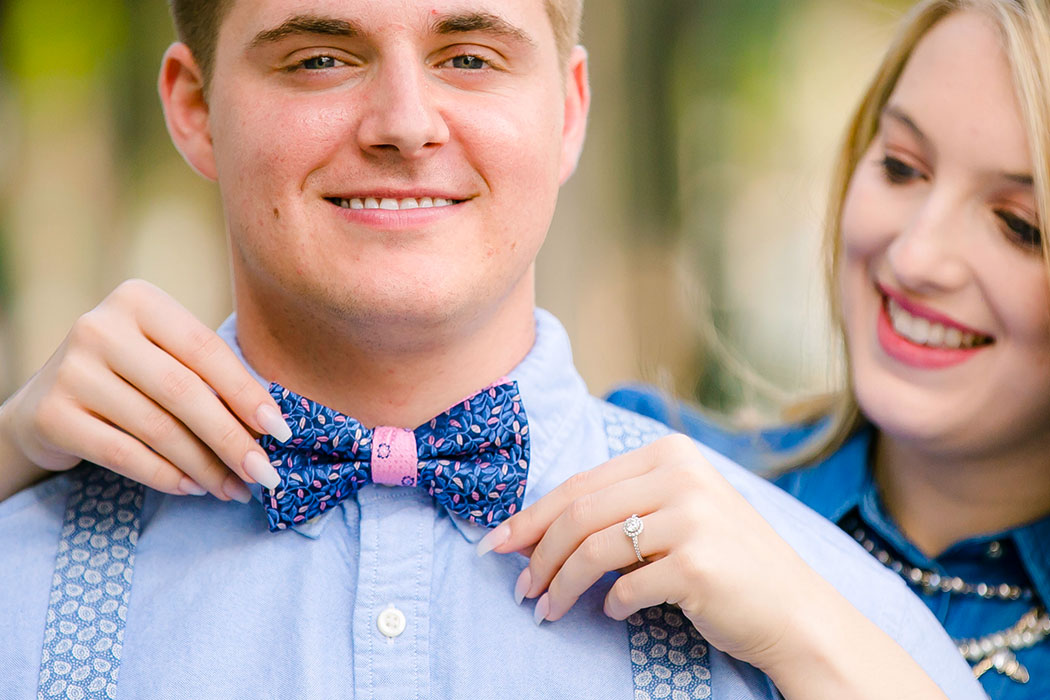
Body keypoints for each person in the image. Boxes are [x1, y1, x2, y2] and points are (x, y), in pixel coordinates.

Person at [0, 1, 983, 698]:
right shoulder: (20, 570)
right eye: (319, 58)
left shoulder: (839, 629)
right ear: (193, 107)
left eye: (469, 56)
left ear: (569, 108)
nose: (403, 124)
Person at [610, 0, 1050, 696]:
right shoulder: (646, 466)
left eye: (1018, 225)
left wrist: (806, 626)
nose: (915, 256)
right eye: (903, 167)